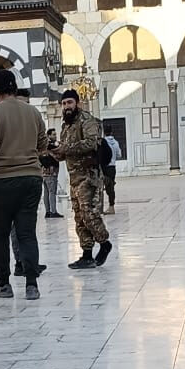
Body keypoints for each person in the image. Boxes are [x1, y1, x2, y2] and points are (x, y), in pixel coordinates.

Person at [0, 68, 43, 300]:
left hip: (2, 182)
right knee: (27, 233)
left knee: (0, 235)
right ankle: (32, 284)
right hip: (31, 181)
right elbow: (43, 145)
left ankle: (4, 284)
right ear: (14, 87)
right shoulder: (33, 112)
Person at [51, 88, 110, 269]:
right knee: (79, 217)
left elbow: (91, 143)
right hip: (74, 179)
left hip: (89, 177)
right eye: (64, 103)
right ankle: (86, 255)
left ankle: (105, 243)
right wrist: (53, 151)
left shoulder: (87, 120)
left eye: (70, 102)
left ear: (77, 103)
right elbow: (63, 154)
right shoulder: (66, 127)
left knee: (89, 213)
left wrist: (66, 149)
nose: (67, 107)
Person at [9, 87, 48, 284]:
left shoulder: (32, 120)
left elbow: (43, 144)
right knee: (19, 228)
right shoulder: (6, 120)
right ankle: (21, 265)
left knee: (26, 227)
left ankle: (28, 263)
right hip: (13, 179)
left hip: (28, 179)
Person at [40, 118, 62, 218]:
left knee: (46, 193)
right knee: (52, 192)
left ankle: (48, 211)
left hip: (43, 173)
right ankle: (53, 211)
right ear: (48, 135)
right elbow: (60, 151)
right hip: (51, 173)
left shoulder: (43, 146)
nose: (55, 136)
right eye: (53, 134)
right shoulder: (51, 146)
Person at [101, 130, 118, 213]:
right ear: (111, 132)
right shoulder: (116, 142)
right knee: (111, 187)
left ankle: (103, 208)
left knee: (104, 187)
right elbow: (119, 154)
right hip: (112, 167)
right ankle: (112, 206)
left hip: (105, 168)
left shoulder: (103, 142)